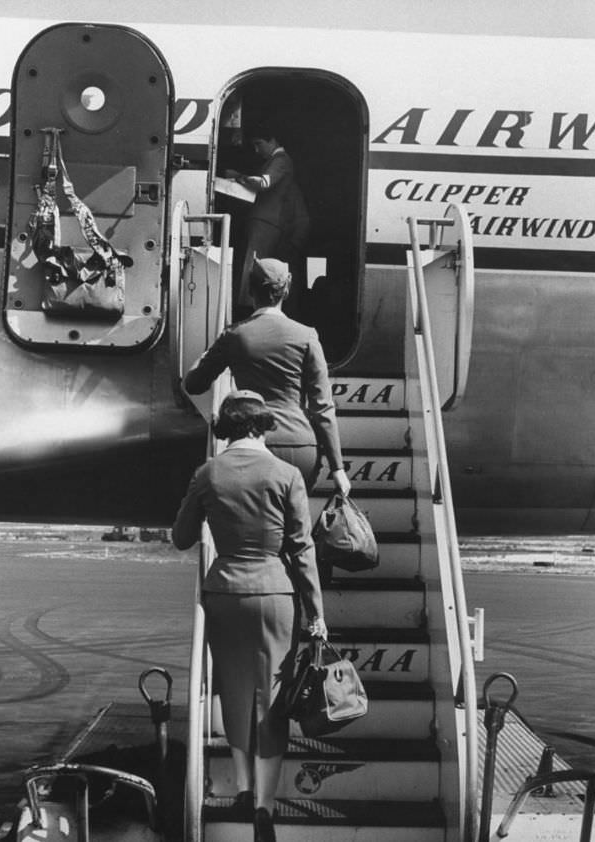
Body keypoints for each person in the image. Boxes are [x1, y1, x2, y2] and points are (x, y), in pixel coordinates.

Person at [172, 390, 327, 842]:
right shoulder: (287, 474)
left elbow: (182, 536)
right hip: (275, 593)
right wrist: (316, 611)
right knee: (272, 700)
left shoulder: (208, 473)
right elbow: (301, 548)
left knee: (234, 689)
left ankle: (241, 787)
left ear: (228, 429)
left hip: (223, 592)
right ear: (261, 427)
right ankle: (264, 805)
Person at [184, 256, 351, 497]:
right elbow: (322, 408)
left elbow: (194, 384)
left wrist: (207, 354)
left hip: (252, 445)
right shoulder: (307, 336)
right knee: (294, 526)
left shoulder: (234, 336)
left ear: (250, 290)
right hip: (301, 446)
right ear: (287, 290)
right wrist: (337, 467)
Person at [226, 122, 310, 318]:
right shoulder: (279, 160)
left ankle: (251, 315)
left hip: (265, 223)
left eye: (259, 144)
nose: (256, 150)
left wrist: (237, 177)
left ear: (272, 140)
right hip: (264, 222)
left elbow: (264, 183)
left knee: (253, 271)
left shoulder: (281, 159)